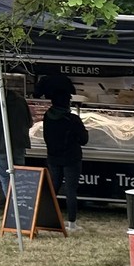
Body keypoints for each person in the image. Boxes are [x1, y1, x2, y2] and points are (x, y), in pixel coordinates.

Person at [40, 84, 88, 229]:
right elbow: (84, 140)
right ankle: (72, 223)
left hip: (53, 157)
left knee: (53, 188)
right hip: (71, 158)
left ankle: (45, 218)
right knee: (70, 190)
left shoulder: (47, 116)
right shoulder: (73, 119)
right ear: (67, 102)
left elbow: (46, 136)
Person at [0, 77, 31, 201]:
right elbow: (29, 122)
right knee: (19, 179)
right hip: (19, 143)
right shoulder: (20, 99)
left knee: (5, 178)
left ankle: (12, 206)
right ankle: (21, 204)